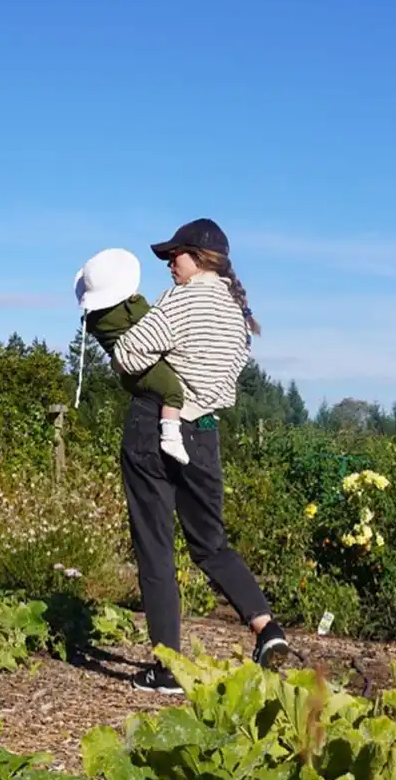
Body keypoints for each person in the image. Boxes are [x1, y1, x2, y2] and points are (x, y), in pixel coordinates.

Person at [112, 217, 289, 693]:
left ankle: (167, 668)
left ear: (199, 258)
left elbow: (130, 356)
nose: (170, 264)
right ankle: (265, 627)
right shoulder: (237, 313)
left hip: (154, 427)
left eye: (176, 255)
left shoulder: (182, 299)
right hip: (205, 434)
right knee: (211, 545)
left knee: (155, 547)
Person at [74, 248, 189, 464]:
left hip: (127, 375)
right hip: (145, 366)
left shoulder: (93, 319)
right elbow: (154, 322)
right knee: (173, 392)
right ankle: (171, 436)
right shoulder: (131, 307)